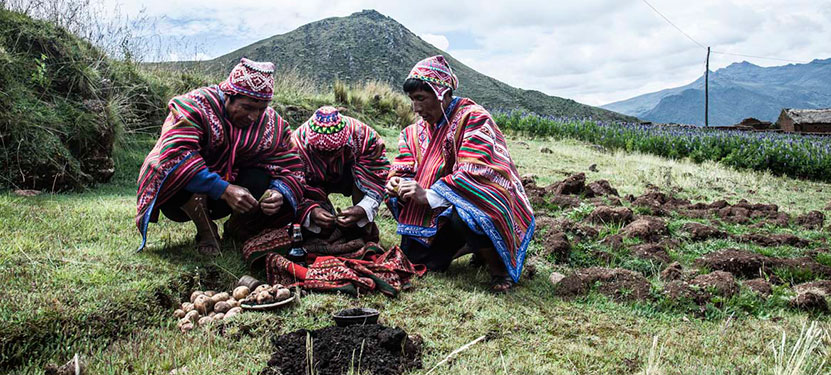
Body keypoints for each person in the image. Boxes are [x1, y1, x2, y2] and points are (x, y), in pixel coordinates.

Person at [385, 55, 535, 293]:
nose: (416, 108)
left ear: (442, 94)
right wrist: (398, 182)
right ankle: (471, 246)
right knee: (422, 262)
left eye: (421, 99)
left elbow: (478, 171)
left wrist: (428, 195)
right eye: (412, 100)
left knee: (467, 212)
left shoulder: (474, 118)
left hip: (482, 201)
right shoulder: (413, 132)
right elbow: (403, 165)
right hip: (439, 208)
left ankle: (499, 269)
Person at [135, 58, 306, 255]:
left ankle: (238, 227)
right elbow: (175, 154)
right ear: (228, 96)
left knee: (261, 177)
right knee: (176, 170)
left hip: (232, 193)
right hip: (183, 197)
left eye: (262, 108)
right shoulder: (195, 106)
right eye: (248, 107)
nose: (254, 116)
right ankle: (206, 230)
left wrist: (278, 192)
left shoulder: (270, 123)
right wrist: (223, 189)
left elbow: (291, 165)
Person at [291, 106, 390, 240]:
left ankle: (363, 230)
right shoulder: (296, 147)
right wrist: (311, 211)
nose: (330, 159)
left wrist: (363, 208)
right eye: (323, 153)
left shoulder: (364, 138)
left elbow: (377, 174)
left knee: (361, 225)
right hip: (312, 177)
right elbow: (292, 186)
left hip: (348, 172)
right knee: (321, 227)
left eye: (334, 152)